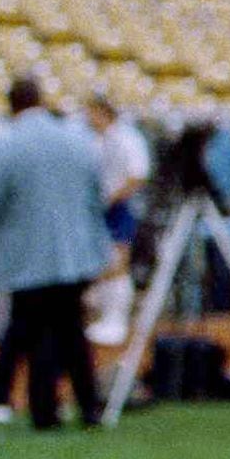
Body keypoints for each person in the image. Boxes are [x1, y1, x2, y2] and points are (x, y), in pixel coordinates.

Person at [0, 74, 113, 429]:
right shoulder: (76, 138)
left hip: (28, 254)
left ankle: (44, 409)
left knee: (36, 333)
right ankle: (89, 405)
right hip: (75, 252)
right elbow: (96, 193)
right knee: (72, 330)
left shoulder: (8, 144)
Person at [84, 92, 151, 346]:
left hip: (120, 207)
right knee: (101, 262)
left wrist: (111, 199)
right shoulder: (98, 139)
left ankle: (117, 319)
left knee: (118, 261)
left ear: (102, 112)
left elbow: (137, 176)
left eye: (91, 112)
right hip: (101, 208)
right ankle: (105, 317)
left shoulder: (127, 138)